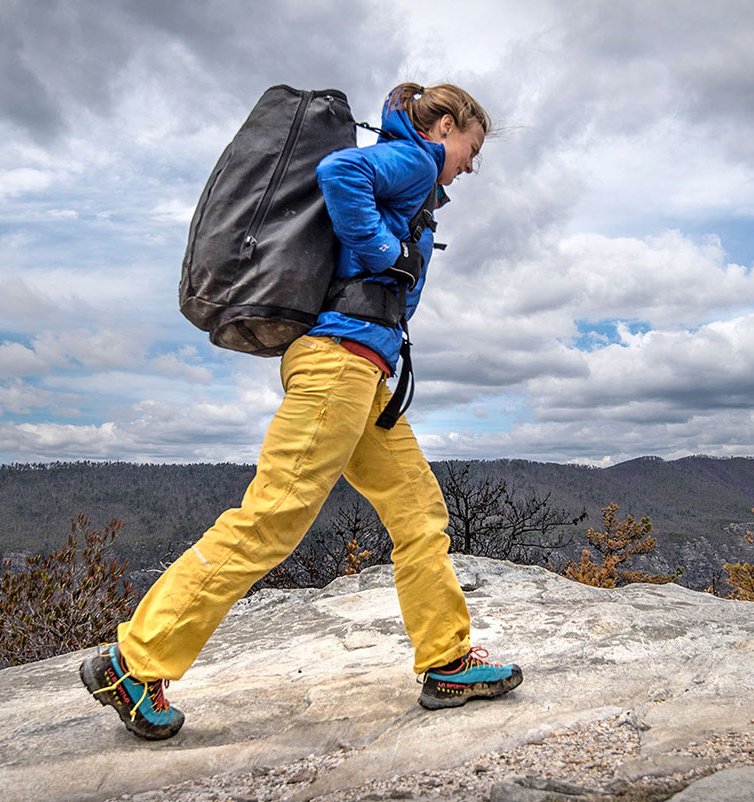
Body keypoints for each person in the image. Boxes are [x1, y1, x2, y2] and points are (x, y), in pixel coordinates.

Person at [80, 82, 522, 740]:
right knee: (272, 519)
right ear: (445, 126)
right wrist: (383, 252)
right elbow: (337, 170)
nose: (470, 163)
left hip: (360, 375)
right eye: (472, 147)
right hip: (338, 366)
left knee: (418, 511)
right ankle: (134, 663)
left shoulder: (412, 171)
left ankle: (446, 660)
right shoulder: (414, 159)